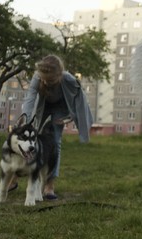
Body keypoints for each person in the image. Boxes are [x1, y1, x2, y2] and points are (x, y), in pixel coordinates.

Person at [22, 55, 93, 200]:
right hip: (43, 105)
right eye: (45, 80)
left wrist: (70, 117)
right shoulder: (37, 78)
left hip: (60, 108)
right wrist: (25, 120)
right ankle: (13, 179)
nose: (47, 83)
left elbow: (80, 100)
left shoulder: (68, 79)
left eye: (51, 81)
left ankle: (49, 185)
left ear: (60, 75)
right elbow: (30, 99)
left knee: (55, 141)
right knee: (30, 138)